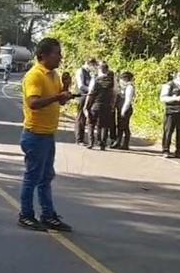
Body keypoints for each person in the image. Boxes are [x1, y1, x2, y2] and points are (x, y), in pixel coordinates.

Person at [17, 38, 75, 232]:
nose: (60, 57)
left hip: (48, 134)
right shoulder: (35, 75)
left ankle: (48, 215)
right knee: (33, 177)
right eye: (57, 53)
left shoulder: (54, 75)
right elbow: (34, 102)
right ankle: (26, 215)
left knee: (46, 176)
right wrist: (58, 96)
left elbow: (60, 102)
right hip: (35, 134)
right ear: (43, 55)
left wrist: (65, 89)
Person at [84, 61, 115, 150]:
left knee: (91, 123)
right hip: (107, 106)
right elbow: (114, 94)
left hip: (96, 104)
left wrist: (86, 106)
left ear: (100, 70)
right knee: (104, 125)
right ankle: (103, 143)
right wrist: (112, 105)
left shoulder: (95, 80)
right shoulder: (112, 81)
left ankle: (91, 142)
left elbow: (91, 93)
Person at [160, 71, 180, 158]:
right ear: (176, 77)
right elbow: (163, 98)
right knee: (168, 131)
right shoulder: (169, 85)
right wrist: (176, 98)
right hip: (171, 111)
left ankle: (179, 151)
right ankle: (165, 150)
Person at [74, 58, 97, 145]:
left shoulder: (89, 72)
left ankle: (82, 138)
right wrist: (90, 91)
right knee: (80, 117)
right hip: (82, 96)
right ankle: (79, 139)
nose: (93, 67)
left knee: (84, 117)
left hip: (87, 96)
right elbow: (81, 85)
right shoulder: (80, 71)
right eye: (92, 65)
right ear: (88, 63)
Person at [112, 71, 135, 150]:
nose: (121, 80)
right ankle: (118, 142)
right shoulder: (122, 88)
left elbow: (128, 101)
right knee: (120, 126)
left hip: (126, 109)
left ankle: (125, 143)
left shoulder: (129, 87)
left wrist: (123, 110)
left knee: (124, 126)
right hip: (120, 108)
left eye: (122, 79)